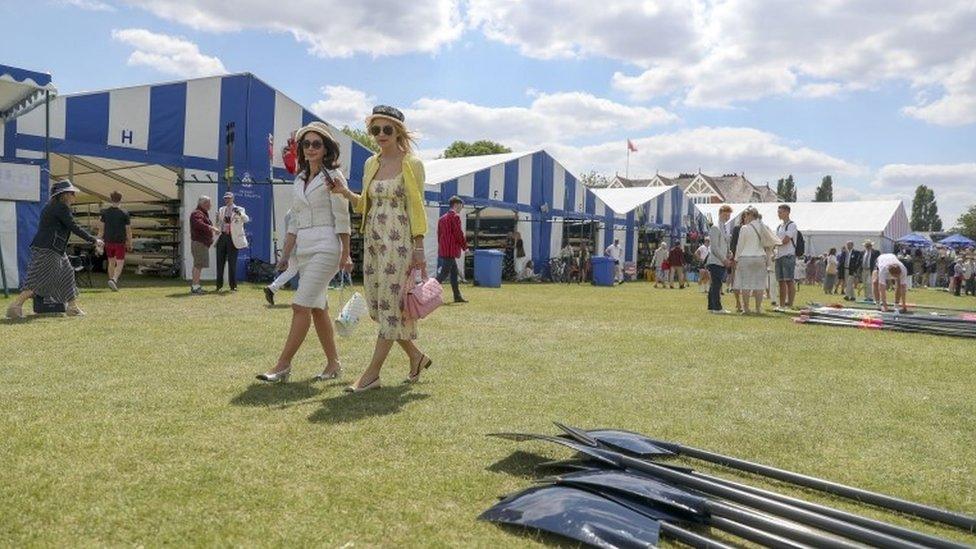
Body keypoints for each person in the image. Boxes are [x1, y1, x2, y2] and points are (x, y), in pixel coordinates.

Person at [330, 105, 432, 392]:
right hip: (374, 241)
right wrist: (345, 192)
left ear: (398, 131)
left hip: (399, 242)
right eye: (376, 129)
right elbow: (365, 204)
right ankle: (416, 356)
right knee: (379, 307)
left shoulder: (412, 164)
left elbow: (416, 206)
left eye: (387, 129)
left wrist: (419, 247)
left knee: (390, 306)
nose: (381, 134)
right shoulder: (370, 164)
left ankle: (372, 375)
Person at [257, 122, 351, 383]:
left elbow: (343, 218)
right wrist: (285, 256)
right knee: (318, 309)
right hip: (305, 247)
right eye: (306, 144)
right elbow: (295, 222)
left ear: (326, 148)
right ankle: (334, 364)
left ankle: (282, 365)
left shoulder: (333, 177)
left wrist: (346, 254)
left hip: (327, 246)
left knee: (300, 305)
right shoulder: (298, 179)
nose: (310, 148)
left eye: (316, 144)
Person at [6, 180, 104, 319]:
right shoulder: (61, 208)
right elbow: (73, 227)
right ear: (63, 195)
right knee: (38, 279)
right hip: (49, 249)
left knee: (67, 274)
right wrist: (94, 240)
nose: (74, 196)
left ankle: (72, 307)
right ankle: (15, 306)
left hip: (54, 249)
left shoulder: (51, 206)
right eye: (72, 193)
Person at [733, 207, 780, 314]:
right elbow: (771, 242)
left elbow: (740, 246)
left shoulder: (745, 228)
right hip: (760, 257)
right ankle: (758, 308)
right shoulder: (764, 227)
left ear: (750, 215)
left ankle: (746, 308)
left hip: (746, 257)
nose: (744, 218)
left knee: (746, 285)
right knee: (759, 285)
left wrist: (736, 259)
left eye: (745, 215)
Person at [215, 192, 250, 292]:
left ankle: (233, 286)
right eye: (226, 198)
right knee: (219, 262)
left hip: (233, 238)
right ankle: (219, 286)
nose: (227, 200)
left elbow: (246, 219)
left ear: (233, 198)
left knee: (232, 263)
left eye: (229, 198)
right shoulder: (221, 209)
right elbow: (219, 223)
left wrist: (239, 213)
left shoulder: (240, 208)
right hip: (222, 237)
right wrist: (218, 221)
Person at [98, 191, 132, 291]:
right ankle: (114, 279)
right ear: (121, 199)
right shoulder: (124, 213)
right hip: (119, 241)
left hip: (108, 241)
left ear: (111, 199)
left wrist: (98, 241)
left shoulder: (105, 212)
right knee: (120, 262)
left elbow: (101, 229)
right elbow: (128, 230)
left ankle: (111, 281)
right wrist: (130, 242)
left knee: (111, 262)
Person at [436, 195, 468, 303]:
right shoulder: (455, 217)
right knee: (444, 274)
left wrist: (441, 246)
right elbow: (458, 233)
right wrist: (465, 247)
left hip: (444, 248)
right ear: (456, 205)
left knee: (454, 273)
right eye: (460, 205)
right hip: (451, 249)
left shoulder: (442, 218)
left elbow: (439, 235)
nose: (461, 208)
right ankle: (427, 291)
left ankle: (457, 296)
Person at [264, 209, 298, 305]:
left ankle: (272, 288)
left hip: (290, 245)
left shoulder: (288, 212)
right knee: (304, 271)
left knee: (292, 270)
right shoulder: (299, 210)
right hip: (299, 245)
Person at [189, 196, 220, 295]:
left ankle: (196, 286)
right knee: (198, 265)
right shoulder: (197, 213)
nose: (210, 205)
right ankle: (195, 287)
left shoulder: (202, 213)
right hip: (199, 243)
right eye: (209, 203)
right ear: (204, 204)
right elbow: (198, 224)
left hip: (201, 243)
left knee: (199, 265)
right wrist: (211, 228)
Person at [706, 205, 732, 313]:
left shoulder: (724, 228)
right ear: (720, 213)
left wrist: (729, 253)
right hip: (716, 261)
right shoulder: (715, 227)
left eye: (729, 215)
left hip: (721, 261)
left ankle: (712, 306)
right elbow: (714, 247)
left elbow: (724, 244)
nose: (727, 217)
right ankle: (717, 307)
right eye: (725, 214)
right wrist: (724, 259)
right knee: (717, 284)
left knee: (715, 284)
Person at [774, 204, 798, 308]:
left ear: (787, 212)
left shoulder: (792, 225)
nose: (779, 214)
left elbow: (786, 240)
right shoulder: (779, 226)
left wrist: (775, 243)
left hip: (788, 255)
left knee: (789, 280)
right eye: (778, 212)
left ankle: (790, 304)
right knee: (780, 281)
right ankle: (782, 304)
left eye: (781, 212)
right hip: (779, 256)